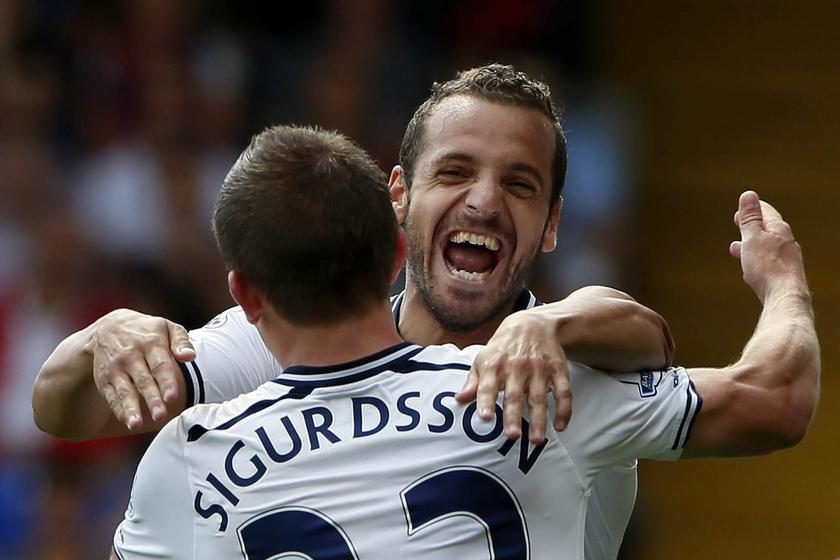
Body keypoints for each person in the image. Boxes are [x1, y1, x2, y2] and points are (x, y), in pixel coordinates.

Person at [32, 65, 812, 558]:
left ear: (552, 225)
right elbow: (62, 408)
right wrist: (104, 335)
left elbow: (654, 339)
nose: (483, 199)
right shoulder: (275, 345)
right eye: (457, 171)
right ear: (398, 195)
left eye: (520, 184)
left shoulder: (560, 373)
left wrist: (549, 323)